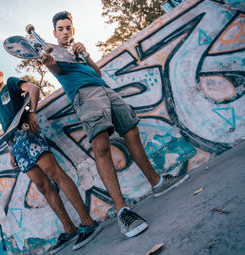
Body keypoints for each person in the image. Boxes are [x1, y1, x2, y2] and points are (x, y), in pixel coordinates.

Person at [41, 11, 189, 238]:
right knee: (101, 147)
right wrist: (49, 63)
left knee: (131, 131)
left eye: (68, 27)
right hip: (85, 96)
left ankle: (156, 182)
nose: (64, 32)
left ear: (73, 29)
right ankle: (123, 211)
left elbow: (97, 72)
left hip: (104, 89)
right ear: (54, 33)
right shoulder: (53, 53)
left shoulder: (76, 50)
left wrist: (86, 54)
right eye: (60, 29)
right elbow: (56, 69)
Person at [0, 61, 102, 254]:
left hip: (29, 133)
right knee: (43, 186)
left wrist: (32, 112)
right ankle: (69, 229)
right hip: (16, 146)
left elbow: (33, 89)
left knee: (56, 175)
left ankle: (88, 222)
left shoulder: (11, 83)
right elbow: (7, 129)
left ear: (0, 73)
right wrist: (12, 151)